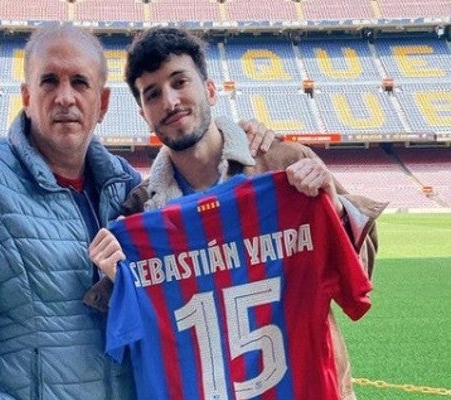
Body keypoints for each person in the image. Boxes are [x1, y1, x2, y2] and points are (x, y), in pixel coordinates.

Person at [0, 25, 273, 400]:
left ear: (102, 104)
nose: (64, 97)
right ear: (26, 96)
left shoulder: (128, 189)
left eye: (79, 82)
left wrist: (248, 143)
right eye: (48, 81)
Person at [86, 27, 387, 400]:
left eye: (180, 82)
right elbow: (125, 337)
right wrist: (117, 281)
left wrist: (334, 209)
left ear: (209, 90)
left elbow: (358, 273)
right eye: (153, 94)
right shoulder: (138, 213)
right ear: (144, 114)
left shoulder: (285, 167)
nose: (170, 100)